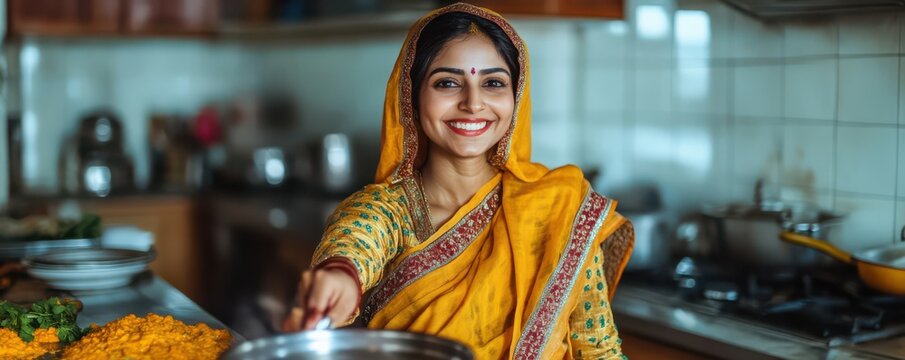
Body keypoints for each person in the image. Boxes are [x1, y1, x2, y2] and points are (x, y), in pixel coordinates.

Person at [282, 3, 634, 359]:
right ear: (412, 96)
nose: (473, 103)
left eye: (493, 83)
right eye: (448, 83)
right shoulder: (387, 210)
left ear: (516, 97)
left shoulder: (559, 207)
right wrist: (340, 275)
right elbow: (356, 241)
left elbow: (599, 349)